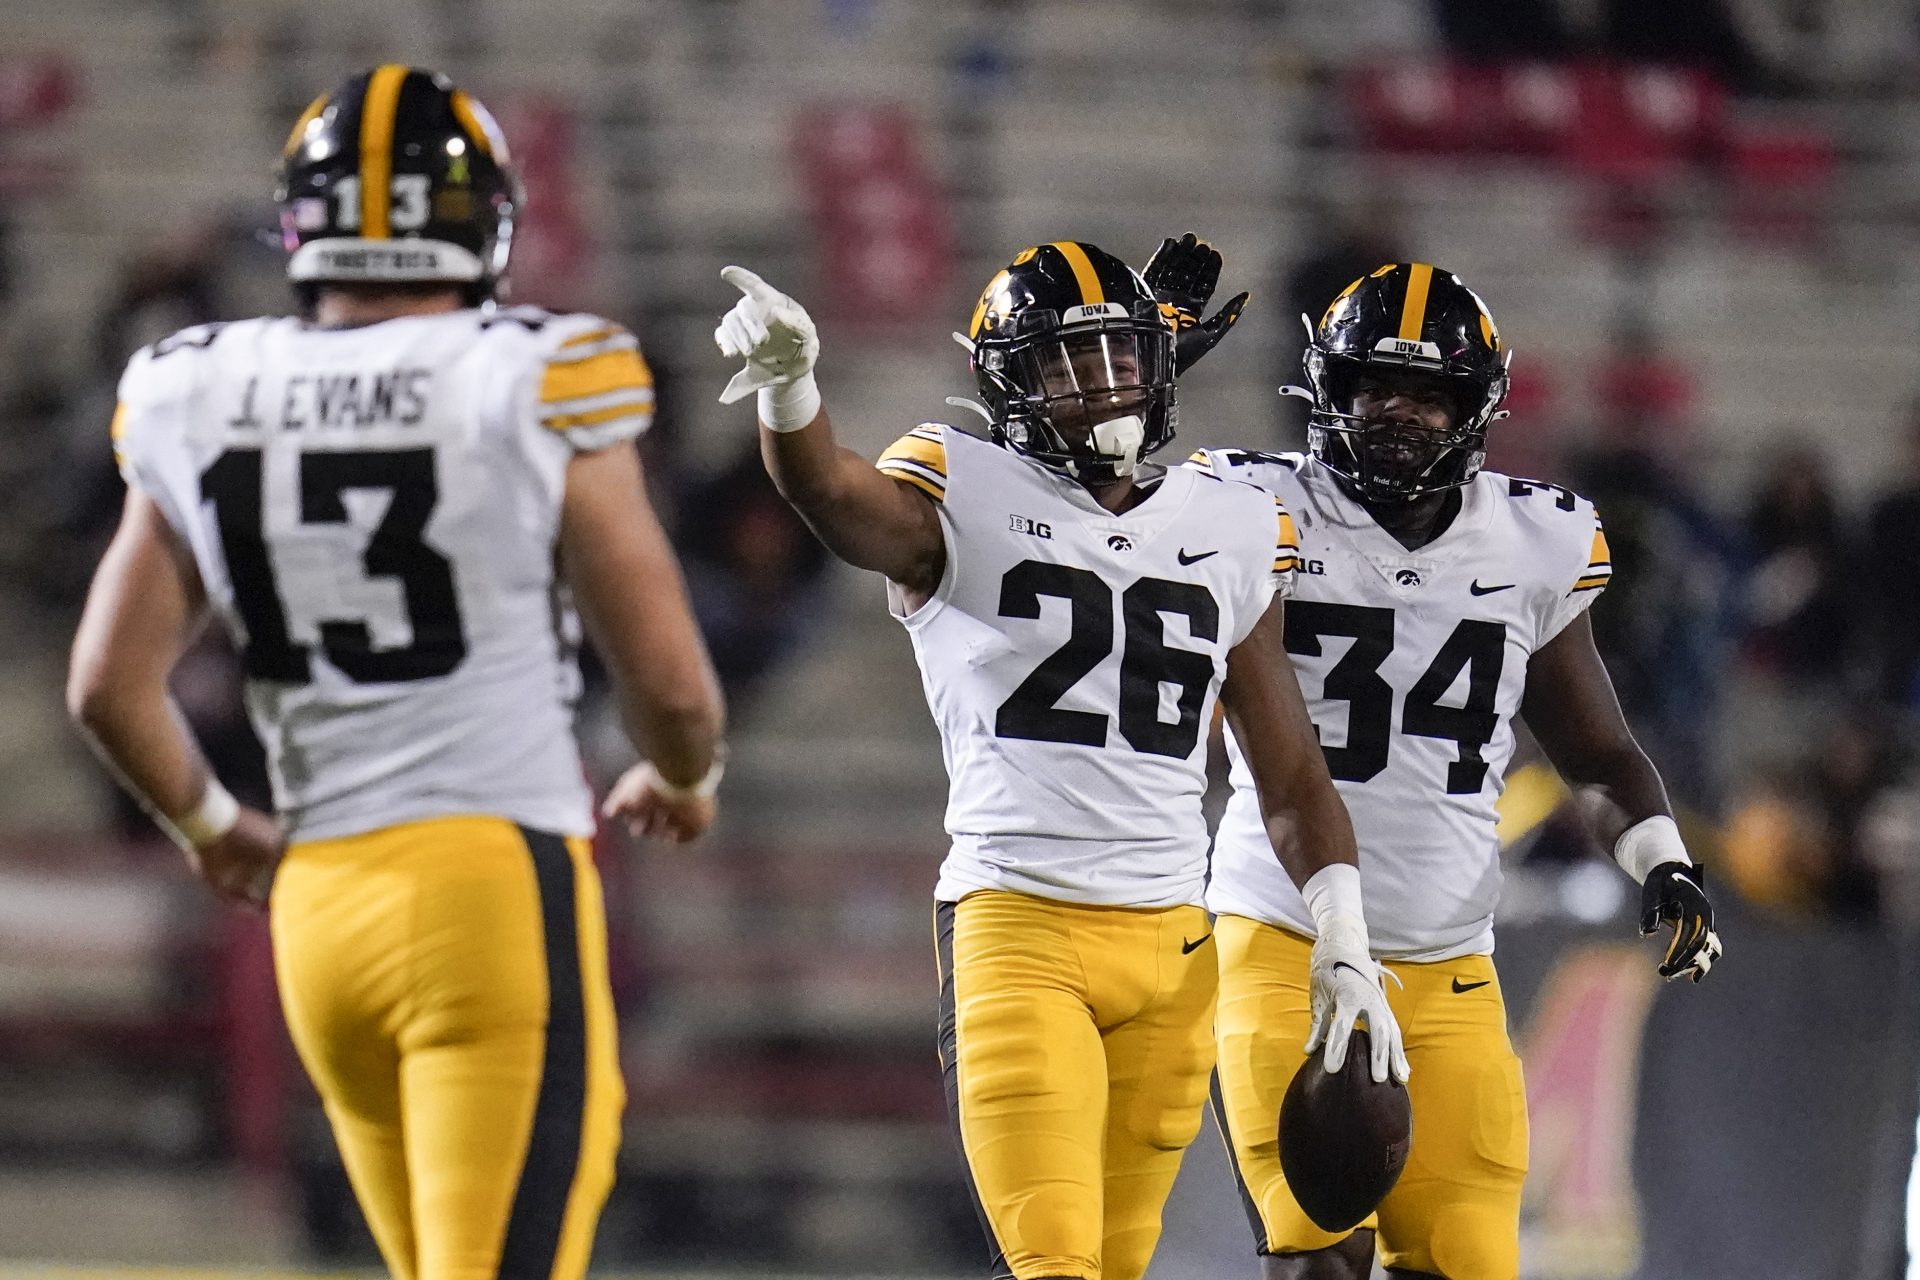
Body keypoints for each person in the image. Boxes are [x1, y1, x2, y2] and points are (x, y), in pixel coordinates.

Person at [66, 65, 726, 1280]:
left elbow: (107, 684)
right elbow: (675, 689)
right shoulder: (538, 368)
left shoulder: (198, 385)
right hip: (486, 885)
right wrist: (685, 775)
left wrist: (212, 824)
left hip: (319, 909)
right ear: (481, 223)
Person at [712, 241, 1406, 1280]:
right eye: (1067, 364)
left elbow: (1291, 769)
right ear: (1012, 383)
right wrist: (789, 386)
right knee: (1053, 1265)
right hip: (1020, 927)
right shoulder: (961, 482)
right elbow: (832, 496)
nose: (1101, 385)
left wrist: (1344, 937)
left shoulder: (1224, 517)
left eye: (1118, 354)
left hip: (1175, 949)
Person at [1177, 261, 1723, 1279]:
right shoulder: (1248, 506)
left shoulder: (1534, 537)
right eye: (1375, 387)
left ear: (1474, 408)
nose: (1397, 414)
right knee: (1314, 1256)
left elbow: (1595, 748)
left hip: (1449, 962)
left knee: (1465, 1260)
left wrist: (1662, 857)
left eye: (1427, 393)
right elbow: (1096, 527)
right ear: (1327, 392)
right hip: (1282, 935)